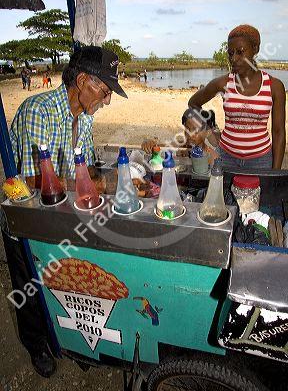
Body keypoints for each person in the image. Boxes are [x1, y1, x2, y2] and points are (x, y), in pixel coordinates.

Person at [2, 46, 127, 378]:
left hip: (63, 216)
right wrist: (96, 185)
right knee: (28, 282)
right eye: (104, 90)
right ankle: (36, 343)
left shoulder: (83, 118)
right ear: (83, 81)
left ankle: (72, 338)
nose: (107, 100)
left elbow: (83, 165)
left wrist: (110, 179)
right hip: (28, 219)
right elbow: (32, 182)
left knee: (68, 278)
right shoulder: (37, 111)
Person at [188, 24, 286, 170]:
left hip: (261, 160)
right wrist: (211, 128)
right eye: (230, 53)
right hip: (226, 157)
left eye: (240, 52)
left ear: (255, 49)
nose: (233, 58)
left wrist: (275, 173)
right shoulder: (223, 83)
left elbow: (278, 132)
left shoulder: (274, 86)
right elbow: (193, 103)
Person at [141, 106, 220, 165]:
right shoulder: (180, 146)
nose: (190, 135)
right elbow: (157, 147)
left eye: (196, 131)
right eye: (187, 129)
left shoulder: (212, 156)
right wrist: (149, 143)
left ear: (208, 132)